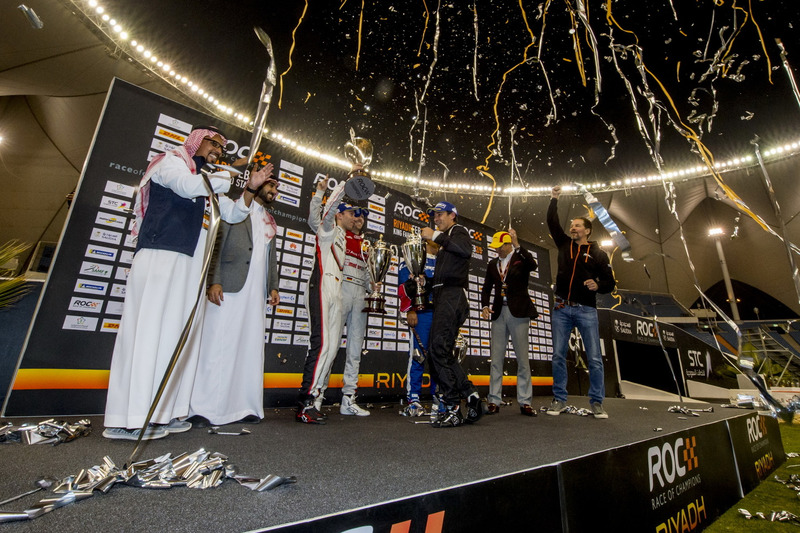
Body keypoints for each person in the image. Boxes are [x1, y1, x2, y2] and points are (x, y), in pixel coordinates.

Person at [103, 125, 272, 440]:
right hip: (161, 259)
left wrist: (249, 189)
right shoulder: (171, 163)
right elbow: (186, 186)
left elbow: (232, 216)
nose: (218, 151)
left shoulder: (208, 183)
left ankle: (166, 413)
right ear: (195, 141)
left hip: (191, 268)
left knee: (177, 341)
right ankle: (132, 418)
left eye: (222, 148)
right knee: (150, 336)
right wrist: (231, 173)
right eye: (213, 144)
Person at [188, 168, 280, 426]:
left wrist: (272, 286)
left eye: (276, 188)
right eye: (269, 186)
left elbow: (270, 257)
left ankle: (245, 406)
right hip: (228, 285)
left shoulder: (270, 221)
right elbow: (217, 244)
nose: (274, 191)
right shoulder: (234, 208)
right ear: (256, 185)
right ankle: (205, 409)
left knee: (249, 347)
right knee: (217, 344)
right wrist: (213, 280)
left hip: (255, 292)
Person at [546, 186, 615, 419]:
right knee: (558, 355)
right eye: (572, 225)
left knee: (594, 358)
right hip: (561, 308)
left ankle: (597, 402)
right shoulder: (564, 245)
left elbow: (609, 282)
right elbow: (551, 221)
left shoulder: (598, 253)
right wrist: (554, 198)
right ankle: (559, 399)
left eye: (576, 225)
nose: (572, 228)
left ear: (587, 230)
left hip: (586, 310)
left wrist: (599, 285)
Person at [296, 175, 359, 424]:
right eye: (350, 213)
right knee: (321, 346)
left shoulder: (342, 235)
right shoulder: (327, 229)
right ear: (338, 215)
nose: (355, 217)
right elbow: (322, 213)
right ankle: (305, 402)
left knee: (332, 350)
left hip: (338, 290)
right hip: (321, 286)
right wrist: (348, 181)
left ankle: (315, 399)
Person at [419, 201, 484, 428]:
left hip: (453, 297)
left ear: (452, 215)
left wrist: (436, 236)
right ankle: (471, 395)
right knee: (442, 352)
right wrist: (424, 283)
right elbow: (446, 275)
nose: (435, 219)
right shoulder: (447, 243)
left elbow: (466, 251)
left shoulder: (458, 232)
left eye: (440, 215)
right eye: (434, 216)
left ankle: (453, 407)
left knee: (438, 349)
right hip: (444, 296)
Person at [481, 228, 539, 416]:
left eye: (500, 247)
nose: (497, 250)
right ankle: (493, 400)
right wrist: (484, 306)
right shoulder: (492, 264)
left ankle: (525, 401)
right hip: (498, 313)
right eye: (495, 247)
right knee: (496, 359)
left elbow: (533, 265)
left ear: (507, 245)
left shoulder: (521, 259)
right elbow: (486, 288)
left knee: (522, 359)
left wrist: (517, 244)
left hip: (519, 313)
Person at [398, 239, 439, 416]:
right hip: (420, 312)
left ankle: (439, 395)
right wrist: (409, 310)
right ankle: (413, 397)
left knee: (440, 355)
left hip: (439, 313)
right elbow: (403, 287)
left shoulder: (443, 260)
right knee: (418, 354)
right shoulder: (412, 256)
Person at [337, 206, 372, 416]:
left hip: (361, 293)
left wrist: (373, 285)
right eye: (355, 215)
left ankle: (348, 399)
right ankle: (316, 397)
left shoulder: (367, 245)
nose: (359, 219)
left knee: (355, 348)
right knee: (330, 345)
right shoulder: (339, 233)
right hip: (341, 288)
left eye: (363, 217)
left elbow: (370, 273)